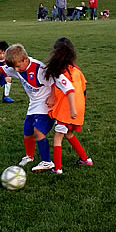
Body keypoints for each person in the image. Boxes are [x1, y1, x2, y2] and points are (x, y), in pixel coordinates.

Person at [0, 44, 55, 173]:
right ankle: (29, 157)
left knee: (38, 132)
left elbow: (54, 81)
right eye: (13, 67)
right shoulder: (16, 66)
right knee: (27, 131)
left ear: (25, 59)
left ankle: (47, 162)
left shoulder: (39, 68)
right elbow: (4, 70)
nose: (16, 70)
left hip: (46, 103)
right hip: (33, 103)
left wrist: (53, 96)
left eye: (18, 66)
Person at [45, 37, 92, 174]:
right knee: (69, 133)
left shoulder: (60, 71)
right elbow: (84, 85)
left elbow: (68, 89)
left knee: (58, 136)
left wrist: (70, 108)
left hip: (67, 109)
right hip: (79, 106)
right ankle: (85, 159)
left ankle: (57, 168)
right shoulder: (76, 69)